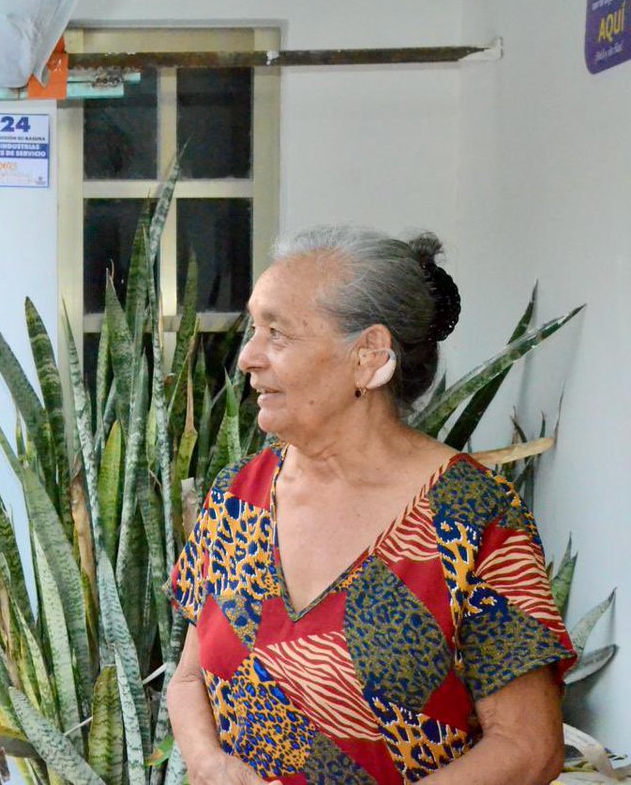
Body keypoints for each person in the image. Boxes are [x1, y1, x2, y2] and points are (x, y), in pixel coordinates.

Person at [167, 225, 575, 785]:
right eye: (254, 329)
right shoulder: (239, 496)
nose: (247, 358)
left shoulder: (471, 517)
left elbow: (528, 748)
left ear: (369, 357)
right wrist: (211, 765)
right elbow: (189, 679)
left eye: (277, 333)